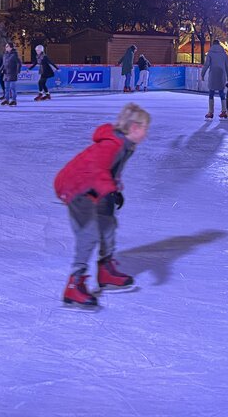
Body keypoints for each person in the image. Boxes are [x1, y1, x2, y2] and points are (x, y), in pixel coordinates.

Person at [54, 103, 150, 306]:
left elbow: (109, 170)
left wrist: (114, 189)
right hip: (76, 188)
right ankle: (74, 285)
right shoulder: (112, 144)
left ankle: (105, 271)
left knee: (108, 226)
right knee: (88, 236)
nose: (146, 134)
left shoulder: (126, 145)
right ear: (134, 127)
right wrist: (109, 189)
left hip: (95, 186)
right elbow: (98, 169)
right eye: (144, 128)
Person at [200, 39, 228, 119]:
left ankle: (210, 112)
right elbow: (227, 66)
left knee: (211, 93)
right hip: (221, 75)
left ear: (213, 45)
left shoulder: (210, 53)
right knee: (221, 92)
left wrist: (202, 74)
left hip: (213, 75)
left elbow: (206, 65)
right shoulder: (224, 54)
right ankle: (224, 111)